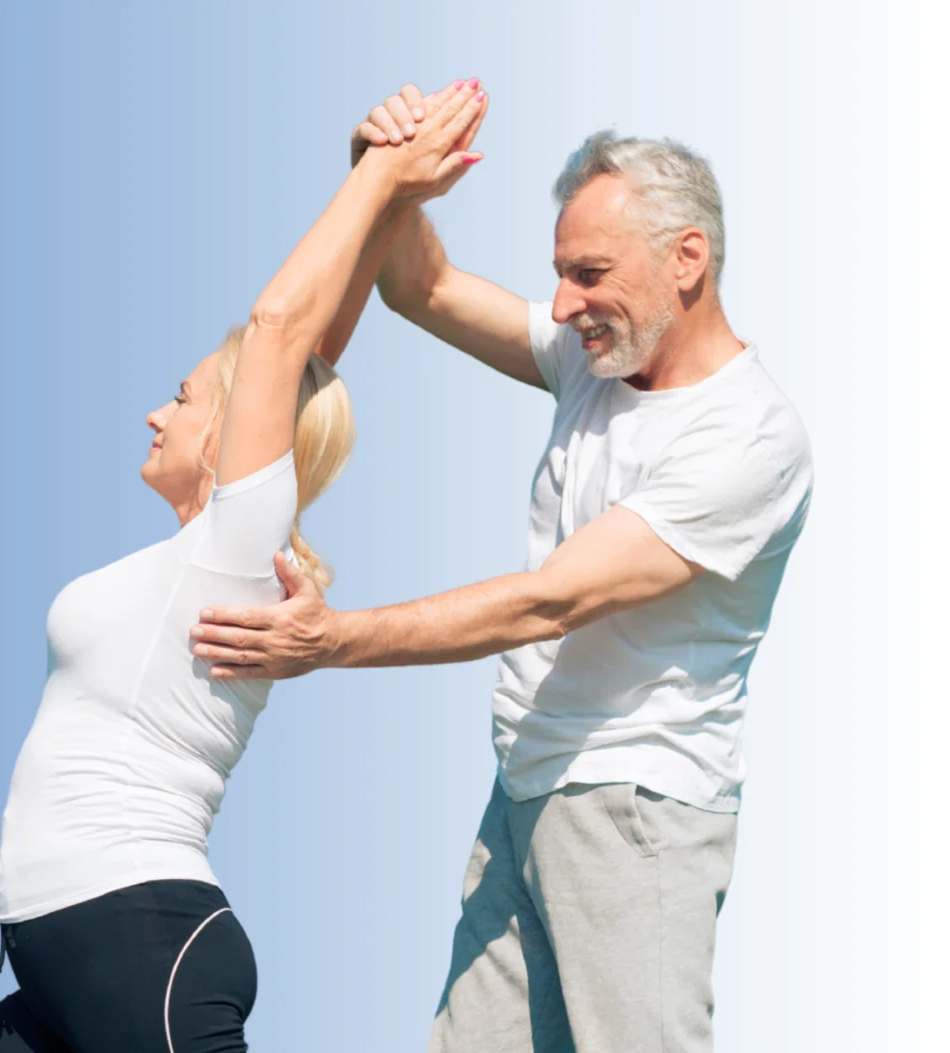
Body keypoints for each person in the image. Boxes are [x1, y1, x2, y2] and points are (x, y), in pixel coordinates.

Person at [190, 86, 813, 1053]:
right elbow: (421, 288)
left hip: (632, 809)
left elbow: (549, 599)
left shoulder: (749, 437)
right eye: (559, 276)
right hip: (523, 792)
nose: (565, 306)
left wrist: (333, 638)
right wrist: (383, 172)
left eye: (589, 274)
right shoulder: (589, 357)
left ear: (687, 258)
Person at [0, 83, 490, 1053]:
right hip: (66, 960)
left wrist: (380, 175)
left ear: (233, 427)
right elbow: (309, 350)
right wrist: (381, 190)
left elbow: (281, 335)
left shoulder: (237, 549)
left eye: (183, 398)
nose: (158, 414)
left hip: (134, 937)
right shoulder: (209, 555)